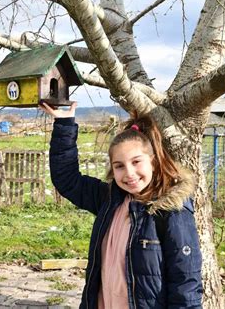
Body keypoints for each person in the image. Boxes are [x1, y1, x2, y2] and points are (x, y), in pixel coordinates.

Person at [40, 102, 203, 309]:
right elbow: (67, 179)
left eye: (136, 162)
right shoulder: (110, 200)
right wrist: (64, 123)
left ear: (153, 161)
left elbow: (185, 282)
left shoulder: (170, 211)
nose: (129, 174)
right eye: (119, 166)